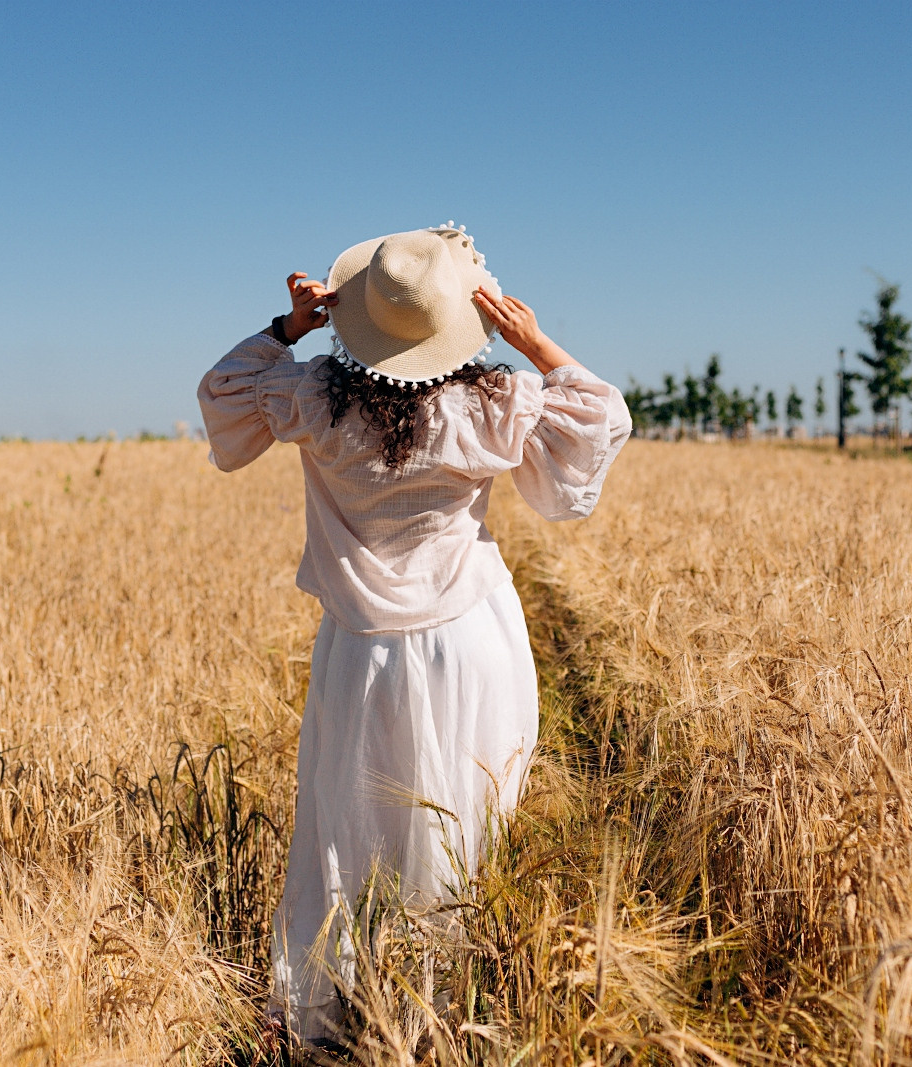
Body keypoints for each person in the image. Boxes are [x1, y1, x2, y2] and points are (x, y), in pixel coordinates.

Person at [198, 223, 631, 1049]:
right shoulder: (487, 405)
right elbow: (600, 419)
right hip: (471, 642)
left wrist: (292, 327)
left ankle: (340, 1012)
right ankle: (443, 1010)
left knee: (349, 823)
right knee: (460, 825)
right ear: (461, 320)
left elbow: (221, 391)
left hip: (359, 646)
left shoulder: (313, 400)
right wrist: (531, 338)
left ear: (360, 319)